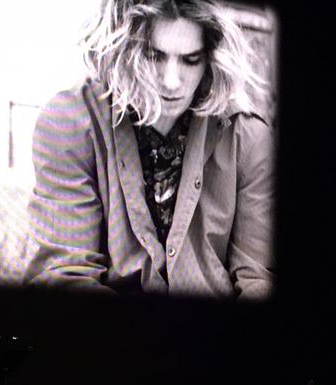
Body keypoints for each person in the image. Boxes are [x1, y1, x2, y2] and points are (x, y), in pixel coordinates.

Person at [24, 0, 274, 301]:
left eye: (190, 60)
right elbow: (65, 275)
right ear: (122, 50)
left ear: (210, 59)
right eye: (154, 56)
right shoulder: (69, 123)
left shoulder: (247, 136)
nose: (171, 82)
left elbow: (259, 277)